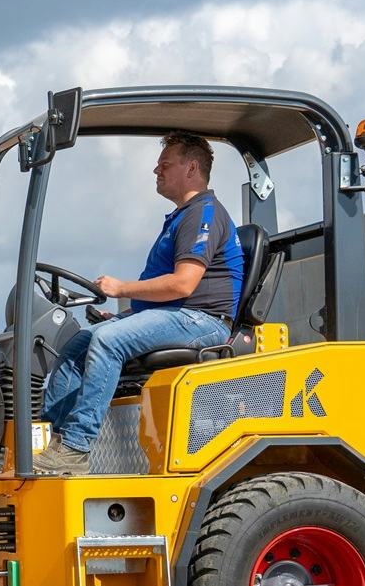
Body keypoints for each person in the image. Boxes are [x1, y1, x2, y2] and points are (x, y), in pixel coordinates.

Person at [36, 131, 244, 475]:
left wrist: (122, 290)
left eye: (165, 164)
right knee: (79, 344)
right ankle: (46, 443)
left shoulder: (202, 213)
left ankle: (75, 447)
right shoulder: (183, 216)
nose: (155, 171)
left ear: (191, 168)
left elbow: (184, 283)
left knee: (107, 339)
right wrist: (130, 314)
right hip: (178, 314)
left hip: (203, 322)